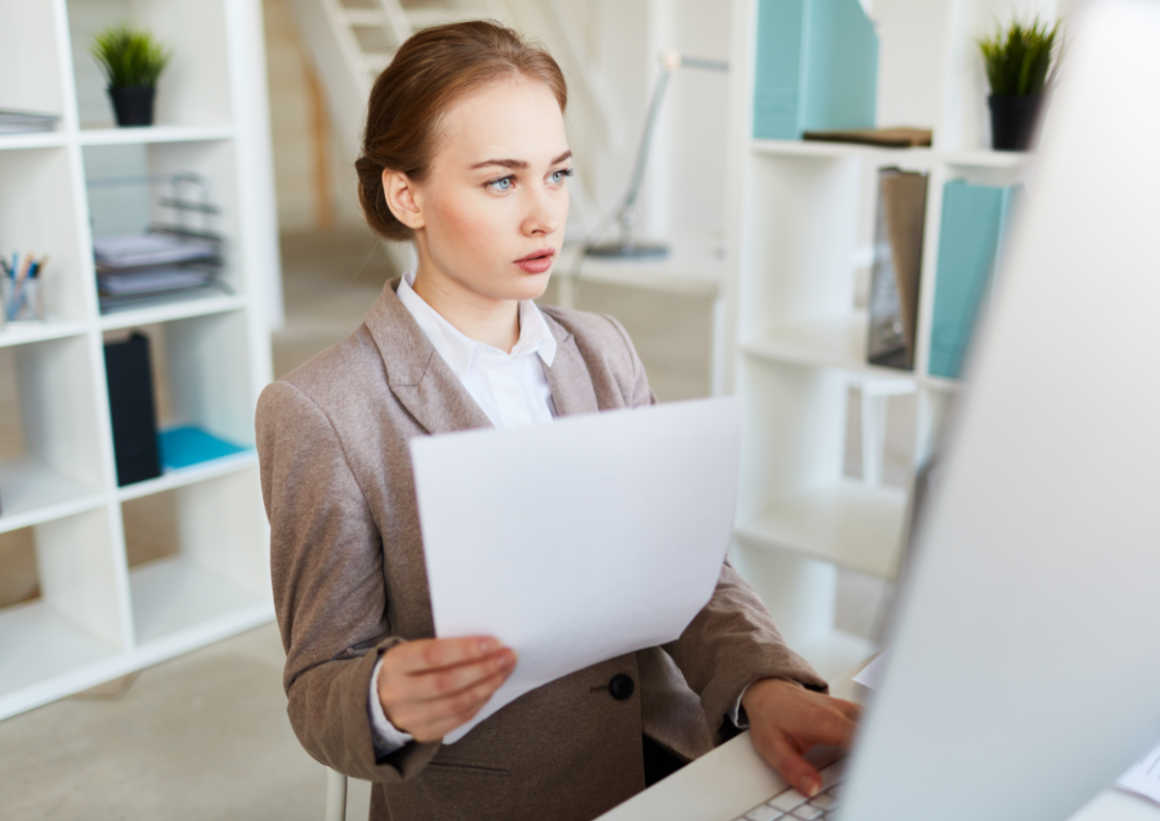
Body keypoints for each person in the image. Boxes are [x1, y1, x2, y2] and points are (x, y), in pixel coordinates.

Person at [255, 20, 860, 821]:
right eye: (501, 181)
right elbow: (320, 683)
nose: (545, 215)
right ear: (408, 195)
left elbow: (685, 571)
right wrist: (381, 697)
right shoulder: (324, 411)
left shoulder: (603, 348)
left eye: (558, 173)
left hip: (672, 766)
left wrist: (766, 682)